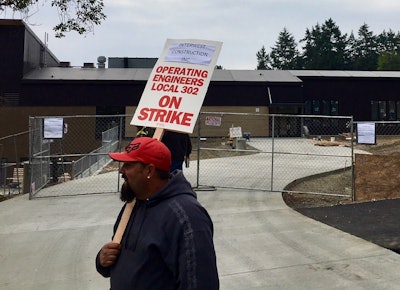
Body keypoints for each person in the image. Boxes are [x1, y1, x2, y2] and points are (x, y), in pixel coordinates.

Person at [96, 137, 219, 289]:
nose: (121, 171)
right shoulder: (133, 204)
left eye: (128, 165)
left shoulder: (187, 217)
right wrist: (102, 259)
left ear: (149, 171)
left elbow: (200, 283)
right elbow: (123, 262)